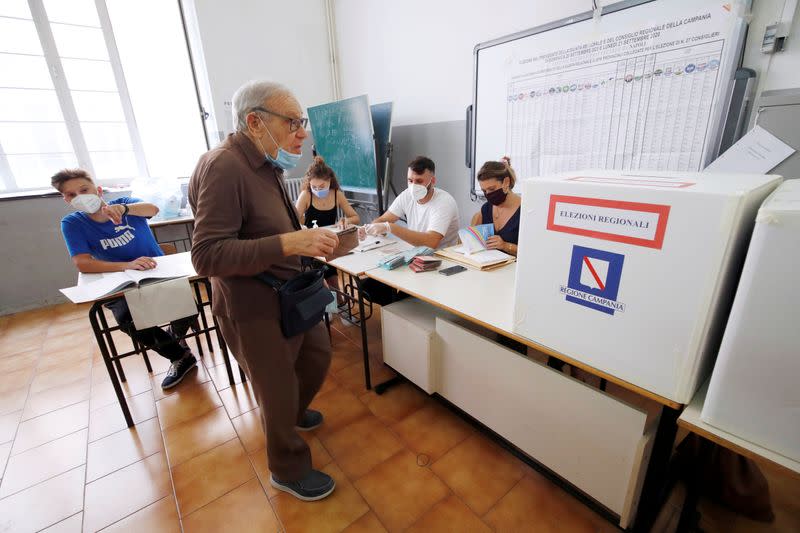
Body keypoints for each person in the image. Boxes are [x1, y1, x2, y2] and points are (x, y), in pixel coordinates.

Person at [188, 80, 339, 502]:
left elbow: (270, 227)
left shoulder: (265, 163)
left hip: (291, 291)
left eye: (301, 122)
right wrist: (291, 244)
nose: (302, 133)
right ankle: (287, 467)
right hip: (254, 305)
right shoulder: (224, 166)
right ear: (255, 122)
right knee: (275, 386)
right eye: (293, 122)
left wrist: (304, 246)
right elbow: (206, 255)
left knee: (317, 356)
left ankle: (290, 413)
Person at [52, 168, 197, 389]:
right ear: (65, 199)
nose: (80, 197)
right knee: (128, 320)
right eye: (72, 195)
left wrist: (125, 208)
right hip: (119, 279)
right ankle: (180, 356)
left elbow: (153, 208)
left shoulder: (125, 203)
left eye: (84, 190)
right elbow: (82, 263)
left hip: (157, 272)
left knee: (188, 307)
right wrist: (126, 265)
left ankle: (173, 336)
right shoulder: (72, 223)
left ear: (98, 190)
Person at [359, 156, 459, 249]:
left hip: (441, 259)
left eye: (419, 181)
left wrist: (390, 227)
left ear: (432, 181)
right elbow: (384, 219)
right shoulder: (407, 195)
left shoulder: (444, 202)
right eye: (410, 180)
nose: (413, 186)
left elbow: (431, 242)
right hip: (416, 254)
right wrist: (369, 228)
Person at [470, 157, 521, 256]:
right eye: (484, 191)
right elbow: (474, 243)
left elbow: (533, 252)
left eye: (492, 189)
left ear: (506, 182)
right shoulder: (486, 208)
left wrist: (505, 246)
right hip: (489, 265)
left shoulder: (525, 211)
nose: (488, 194)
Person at [295, 156, 359, 228]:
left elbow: (355, 218)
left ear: (329, 181)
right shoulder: (306, 195)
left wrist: (347, 220)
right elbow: (293, 220)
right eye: (314, 187)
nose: (317, 190)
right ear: (309, 183)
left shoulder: (337, 195)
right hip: (311, 236)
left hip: (331, 235)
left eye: (321, 186)